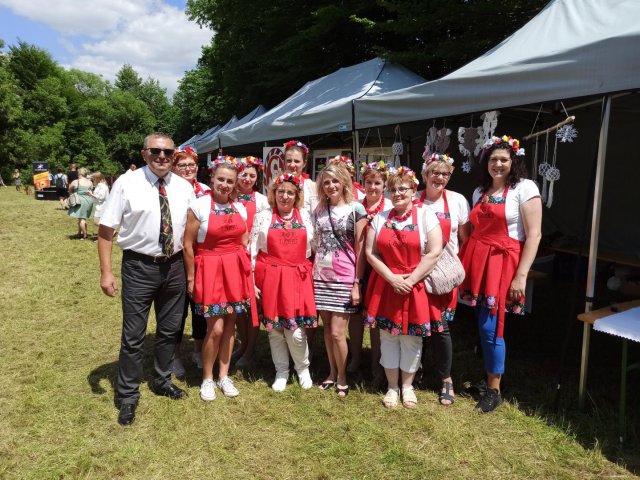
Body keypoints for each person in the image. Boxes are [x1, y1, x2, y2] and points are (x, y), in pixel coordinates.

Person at [98, 132, 193, 426]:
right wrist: (106, 271)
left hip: (174, 266)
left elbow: (192, 227)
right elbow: (105, 230)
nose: (162, 157)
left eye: (168, 152)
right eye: (156, 151)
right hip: (139, 266)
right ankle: (127, 395)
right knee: (134, 335)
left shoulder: (183, 186)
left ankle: (161, 380)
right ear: (144, 153)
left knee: (170, 329)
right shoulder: (126, 184)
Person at [459, 135, 542, 413]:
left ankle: (494, 389)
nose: (498, 164)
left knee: (491, 326)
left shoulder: (524, 187)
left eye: (504, 160)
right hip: (479, 259)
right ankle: (488, 378)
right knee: (483, 321)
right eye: (493, 159)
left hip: (503, 262)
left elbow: (534, 235)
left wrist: (521, 276)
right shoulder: (480, 191)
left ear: (513, 161)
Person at [364, 166, 443, 409]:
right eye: (393, 189)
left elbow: (434, 251)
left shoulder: (426, 215)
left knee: (412, 338)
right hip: (387, 284)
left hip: (414, 284)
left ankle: (407, 387)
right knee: (388, 336)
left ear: (413, 190)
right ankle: (391, 387)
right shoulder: (379, 218)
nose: (397, 193)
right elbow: (370, 253)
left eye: (402, 189)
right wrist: (391, 278)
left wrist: (410, 280)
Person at [183, 155, 257, 402]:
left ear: (235, 184)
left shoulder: (240, 208)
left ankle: (224, 376)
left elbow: (244, 240)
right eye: (220, 179)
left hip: (234, 269)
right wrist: (192, 278)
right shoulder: (199, 206)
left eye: (229, 181)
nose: (224, 184)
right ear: (212, 179)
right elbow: (188, 245)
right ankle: (207, 378)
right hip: (210, 268)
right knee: (214, 328)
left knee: (230, 325)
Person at [250, 173, 316, 391]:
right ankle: (281, 371)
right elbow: (252, 249)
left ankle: (302, 368)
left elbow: (313, 246)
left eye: (290, 192)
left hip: (298, 276)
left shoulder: (306, 216)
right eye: (281, 192)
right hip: (271, 276)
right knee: (275, 328)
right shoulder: (263, 216)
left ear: (297, 195)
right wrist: (251, 278)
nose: (285, 196)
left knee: (296, 330)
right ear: (273, 194)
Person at [415, 153, 470, 406]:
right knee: (417, 324)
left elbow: (464, 237)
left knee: (441, 328)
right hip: (417, 271)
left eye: (445, 174)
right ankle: (415, 370)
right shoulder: (414, 200)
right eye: (435, 173)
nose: (440, 178)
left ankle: (446, 379)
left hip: (444, 274)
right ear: (425, 175)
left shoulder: (457, 200)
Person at [313, 163, 367, 398]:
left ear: (344, 182)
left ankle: (343, 376)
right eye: (326, 182)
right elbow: (315, 242)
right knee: (327, 331)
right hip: (321, 275)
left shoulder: (356, 209)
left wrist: (357, 282)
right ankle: (332, 373)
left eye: (335, 181)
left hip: (345, 277)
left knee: (337, 332)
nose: (331, 186)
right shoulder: (319, 210)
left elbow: (361, 248)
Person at [349, 161, 393, 380]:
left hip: (379, 266)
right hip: (357, 265)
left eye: (377, 183)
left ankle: (377, 363)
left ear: (384, 184)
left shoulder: (390, 207)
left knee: (375, 317)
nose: (373, 187)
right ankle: (355, 356)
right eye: (368, 182)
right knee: (355, 316)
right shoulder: (356, 205)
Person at [169, 146, 210, 377]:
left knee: (201, 306)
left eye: (191, 164)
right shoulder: (169, 189)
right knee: (177, 308)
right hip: (177, 255)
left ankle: (197, 350)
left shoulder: (205, 190)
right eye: (182, 164)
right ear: (174, 168)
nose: (188, 168)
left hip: (202, 255)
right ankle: (174, 355)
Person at [233, 156, 269, 369]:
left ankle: (250, 350)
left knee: (252, 306)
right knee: (238, 306)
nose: (247, 179)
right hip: (232, 257)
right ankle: (243, 344)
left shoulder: (262, 200)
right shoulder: (230, 197)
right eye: (244, 174)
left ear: (257, 179)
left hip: (252, 256)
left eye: (252, 176)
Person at [284, 140, 317, 215]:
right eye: (289, 161)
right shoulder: (276, 184)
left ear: (304, 163)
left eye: (297, 161)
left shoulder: (312, 187)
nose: (292, 165)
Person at [68, 167, 94, 240]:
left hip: (79, 201)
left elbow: (70, 189)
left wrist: (72, 194)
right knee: (81, 217)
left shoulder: (75, 181)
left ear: (79, 173)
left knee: (82, 219)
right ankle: (79, 233)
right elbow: (91, 191)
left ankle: (84, 234)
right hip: (88, 200)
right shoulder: (90, 182)